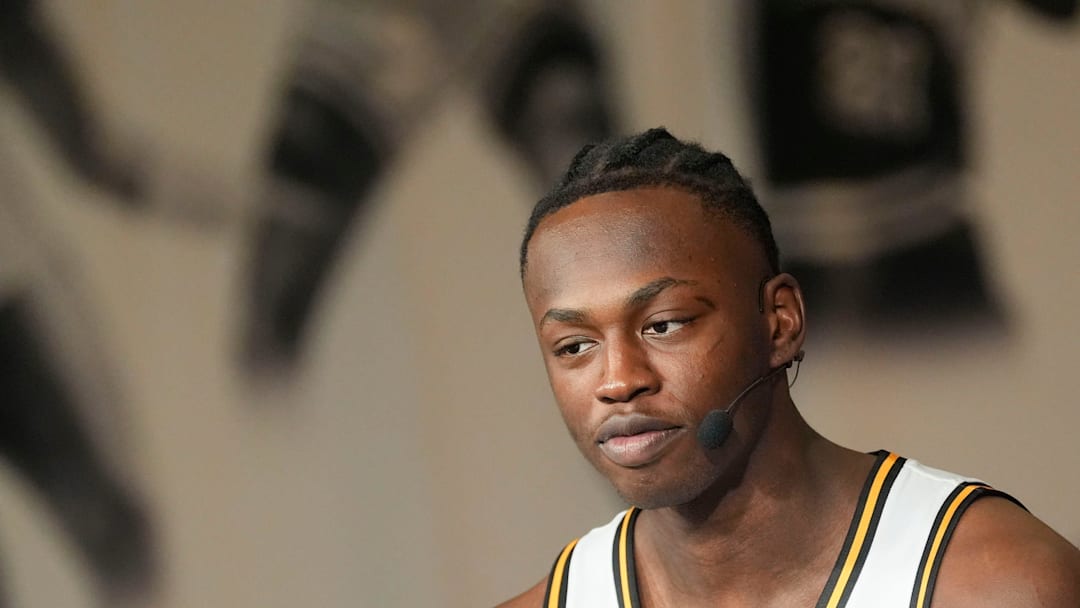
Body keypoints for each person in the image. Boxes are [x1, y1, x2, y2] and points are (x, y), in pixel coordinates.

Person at [499, 128, 1080, 607]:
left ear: (780, 321)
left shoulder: (1001, 584)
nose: (619, 380)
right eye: (574, 346)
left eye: (665, 325)